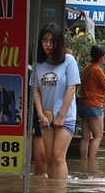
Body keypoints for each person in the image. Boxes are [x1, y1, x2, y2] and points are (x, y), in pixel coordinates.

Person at [33, 23, 80, 180]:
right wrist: (40, 115)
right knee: (49, 158)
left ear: (58, 43)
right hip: (46, 117)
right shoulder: (38, 64)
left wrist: (61, 116)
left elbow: (71, 89)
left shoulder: (69, 61)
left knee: (58, 156)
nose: (48, 45)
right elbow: (36, 90)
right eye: (45, 41)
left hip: (65, 117)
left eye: (52, 41)